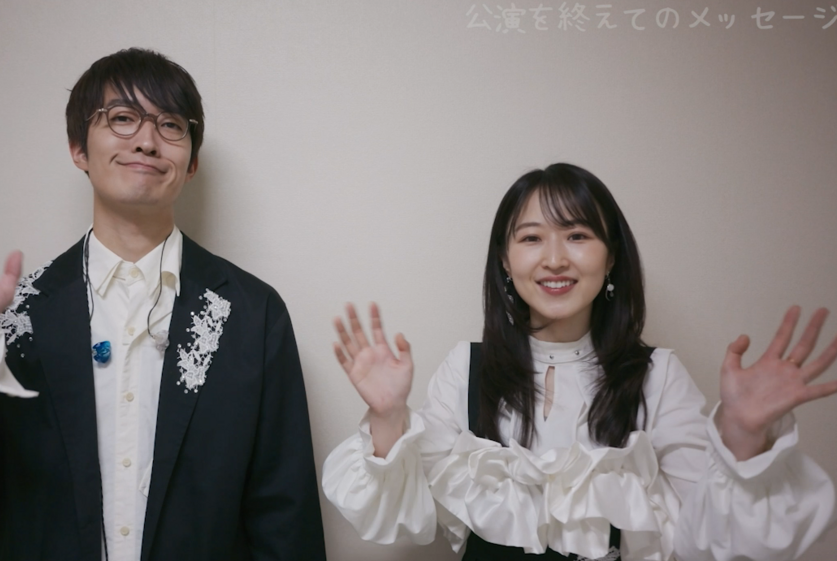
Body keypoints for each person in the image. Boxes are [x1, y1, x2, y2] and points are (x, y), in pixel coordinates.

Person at [0, 48, 326, 561]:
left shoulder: (253, 313)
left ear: (191, 162)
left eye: (171, 125)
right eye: (122, 118)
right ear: (78, 148)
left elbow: (286, 521)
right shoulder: (15, 317)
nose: (147, 140)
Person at [322, 163, 837, 560]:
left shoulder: (657, 376)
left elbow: (703, 543)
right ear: (505, 260)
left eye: (577, 235)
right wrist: (388, 418)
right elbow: (406, 514)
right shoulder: (467, 368)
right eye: (531, 238)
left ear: (610, 257)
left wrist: (743, 438)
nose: (554, 259)